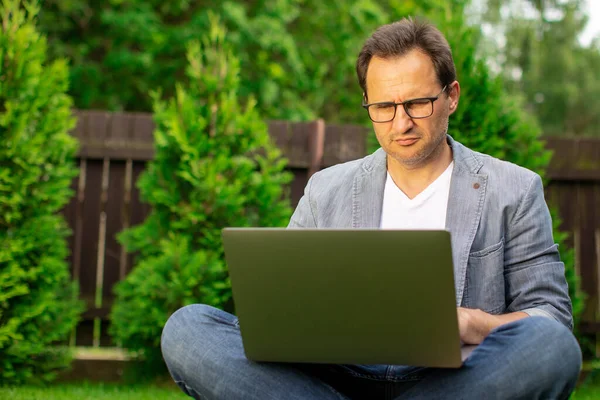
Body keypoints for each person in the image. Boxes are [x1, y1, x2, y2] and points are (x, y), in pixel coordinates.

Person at [160, 18, 582, 399]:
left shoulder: (514, 189)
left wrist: (472, 324)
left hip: (455, 379)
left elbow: (551, 319)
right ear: (368, 104)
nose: (401, 124)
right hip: (335, 376)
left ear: (451, 96)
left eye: (417, 103)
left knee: (552, 347)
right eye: (384, 107)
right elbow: (286, 307)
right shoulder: (326, 189)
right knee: (187, 328)